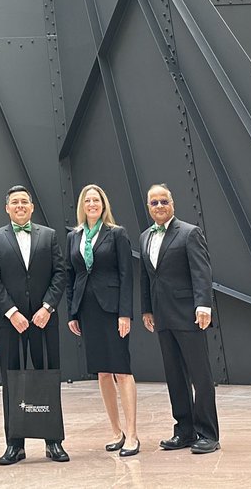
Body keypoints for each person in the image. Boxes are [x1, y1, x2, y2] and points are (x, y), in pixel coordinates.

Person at [0, 185, 69, 465]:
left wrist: (47, 307)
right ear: (7, 208)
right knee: (12, 382)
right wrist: (11, 312)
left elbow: (60, 273)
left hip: (44, 320)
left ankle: (53, 441)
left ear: (31, 207)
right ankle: (14, 445)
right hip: (12, 323)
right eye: (14, 202)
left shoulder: (49, 235)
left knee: (48, 376)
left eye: (24, 202)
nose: (20, 206)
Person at [139, 184, 219, 454]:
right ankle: (184, 431)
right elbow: (147, 277)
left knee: (200, 376)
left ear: (172, 203)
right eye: (154, 203)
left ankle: (208, 433)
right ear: (148, 207)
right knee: (175, 376)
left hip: (189, 316)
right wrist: (147, 309)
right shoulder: (144, 237)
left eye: (164, 201)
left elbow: (201, 272)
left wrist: (204, 305)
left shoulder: (189, 233)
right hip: (162, 317)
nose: (159, 206)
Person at [65, 184, 139, 455]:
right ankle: (116, 432)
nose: (92, 204)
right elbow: (71, 277)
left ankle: (132, 435)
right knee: (103, 372)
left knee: (122, 369)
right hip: (87, 310)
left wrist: (125, 313)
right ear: (82, 206)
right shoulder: (74, 236)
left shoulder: (116, 234)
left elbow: (126, 276)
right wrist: (72, 312)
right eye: (88, 201)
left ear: (103, 204)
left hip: (112, 310)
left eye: (96, 200)